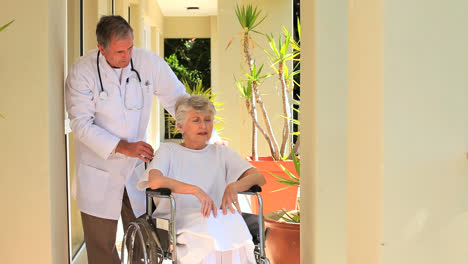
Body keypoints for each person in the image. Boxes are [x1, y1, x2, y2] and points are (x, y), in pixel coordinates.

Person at [65, 16, 221, 264]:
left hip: (135, 168)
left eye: (130, 47)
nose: (127, 56)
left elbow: (178, 99)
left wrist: (211, 135)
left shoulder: (148, 63)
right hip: (99, 168)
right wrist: (123, 147)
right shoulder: (82, 72)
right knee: (101, 245)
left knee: (144, 239)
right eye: (119, 51)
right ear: (101, 48)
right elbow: (81, 124)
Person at [137, 95, 266, 264]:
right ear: (180, 126)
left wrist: (234, 186)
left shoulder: (221, 153)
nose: (203, 125)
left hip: (218, 216)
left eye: (208, 120)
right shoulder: (168, 151)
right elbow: (155, 181)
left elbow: (258, 177)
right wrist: (194, 190)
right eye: (196, 120)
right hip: (178, 219)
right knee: (213, 232)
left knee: (233, 225)